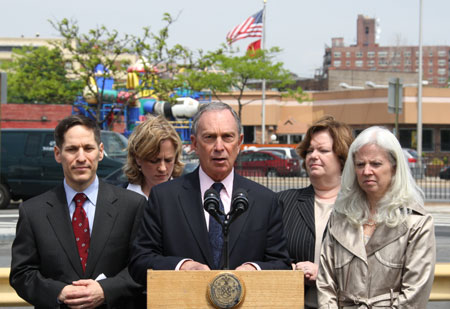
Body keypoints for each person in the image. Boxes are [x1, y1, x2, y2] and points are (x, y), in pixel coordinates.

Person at [129, 102, 291, 285]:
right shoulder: (164, 198)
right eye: (210, 137)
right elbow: (140, 262)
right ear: (195, 144)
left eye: (228, 137)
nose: (219, 147)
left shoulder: (265, 201)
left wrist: (253, 269)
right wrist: (183, 266)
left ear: (239, 142)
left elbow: (282, 264)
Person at [10, 115, 147, 308]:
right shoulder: (33, 212)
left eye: (88, 148)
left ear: (100, 152)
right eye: (72, 149)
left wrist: (105, 290)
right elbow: (21, 274)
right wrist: (59, 292)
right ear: (58, 154)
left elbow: (142, 266)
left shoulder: (132, 205)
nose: (81, 158)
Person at [317, 126, 436, 308]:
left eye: (376, 164)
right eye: (360, 164)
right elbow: (325, 284)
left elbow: (415, 294)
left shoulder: (417, 222)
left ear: (394, 167)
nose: (366, 171)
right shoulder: (340, 217)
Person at [276, 115, 353, 308]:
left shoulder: (359, 207)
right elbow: (266, 255)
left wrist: (324, 273)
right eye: (310, 150)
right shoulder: (285, 201)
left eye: (323, 150)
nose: (313, 156)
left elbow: (370, 269)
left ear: (342, 157)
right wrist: (291, 270)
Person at [123, 115, 184, 199]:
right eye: (154, 161)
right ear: (138, 158)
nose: (162, 168)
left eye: (168, 160)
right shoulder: (120, 199)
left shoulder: (188, 197)